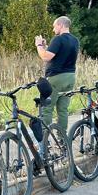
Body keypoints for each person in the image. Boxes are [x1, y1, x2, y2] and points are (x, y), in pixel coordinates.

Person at [34, 15, 79, 145]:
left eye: (54, 26)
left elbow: (46, 57)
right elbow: (58, 54)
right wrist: (46, 46)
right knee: (63, 110)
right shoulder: (75, 40)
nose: (53, 29)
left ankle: (43, 140)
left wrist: (38, 46)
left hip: (56, 78)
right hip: (70, 77)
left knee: (47, 108)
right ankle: (62, 139)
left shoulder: (58, 39)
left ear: (60, 25)